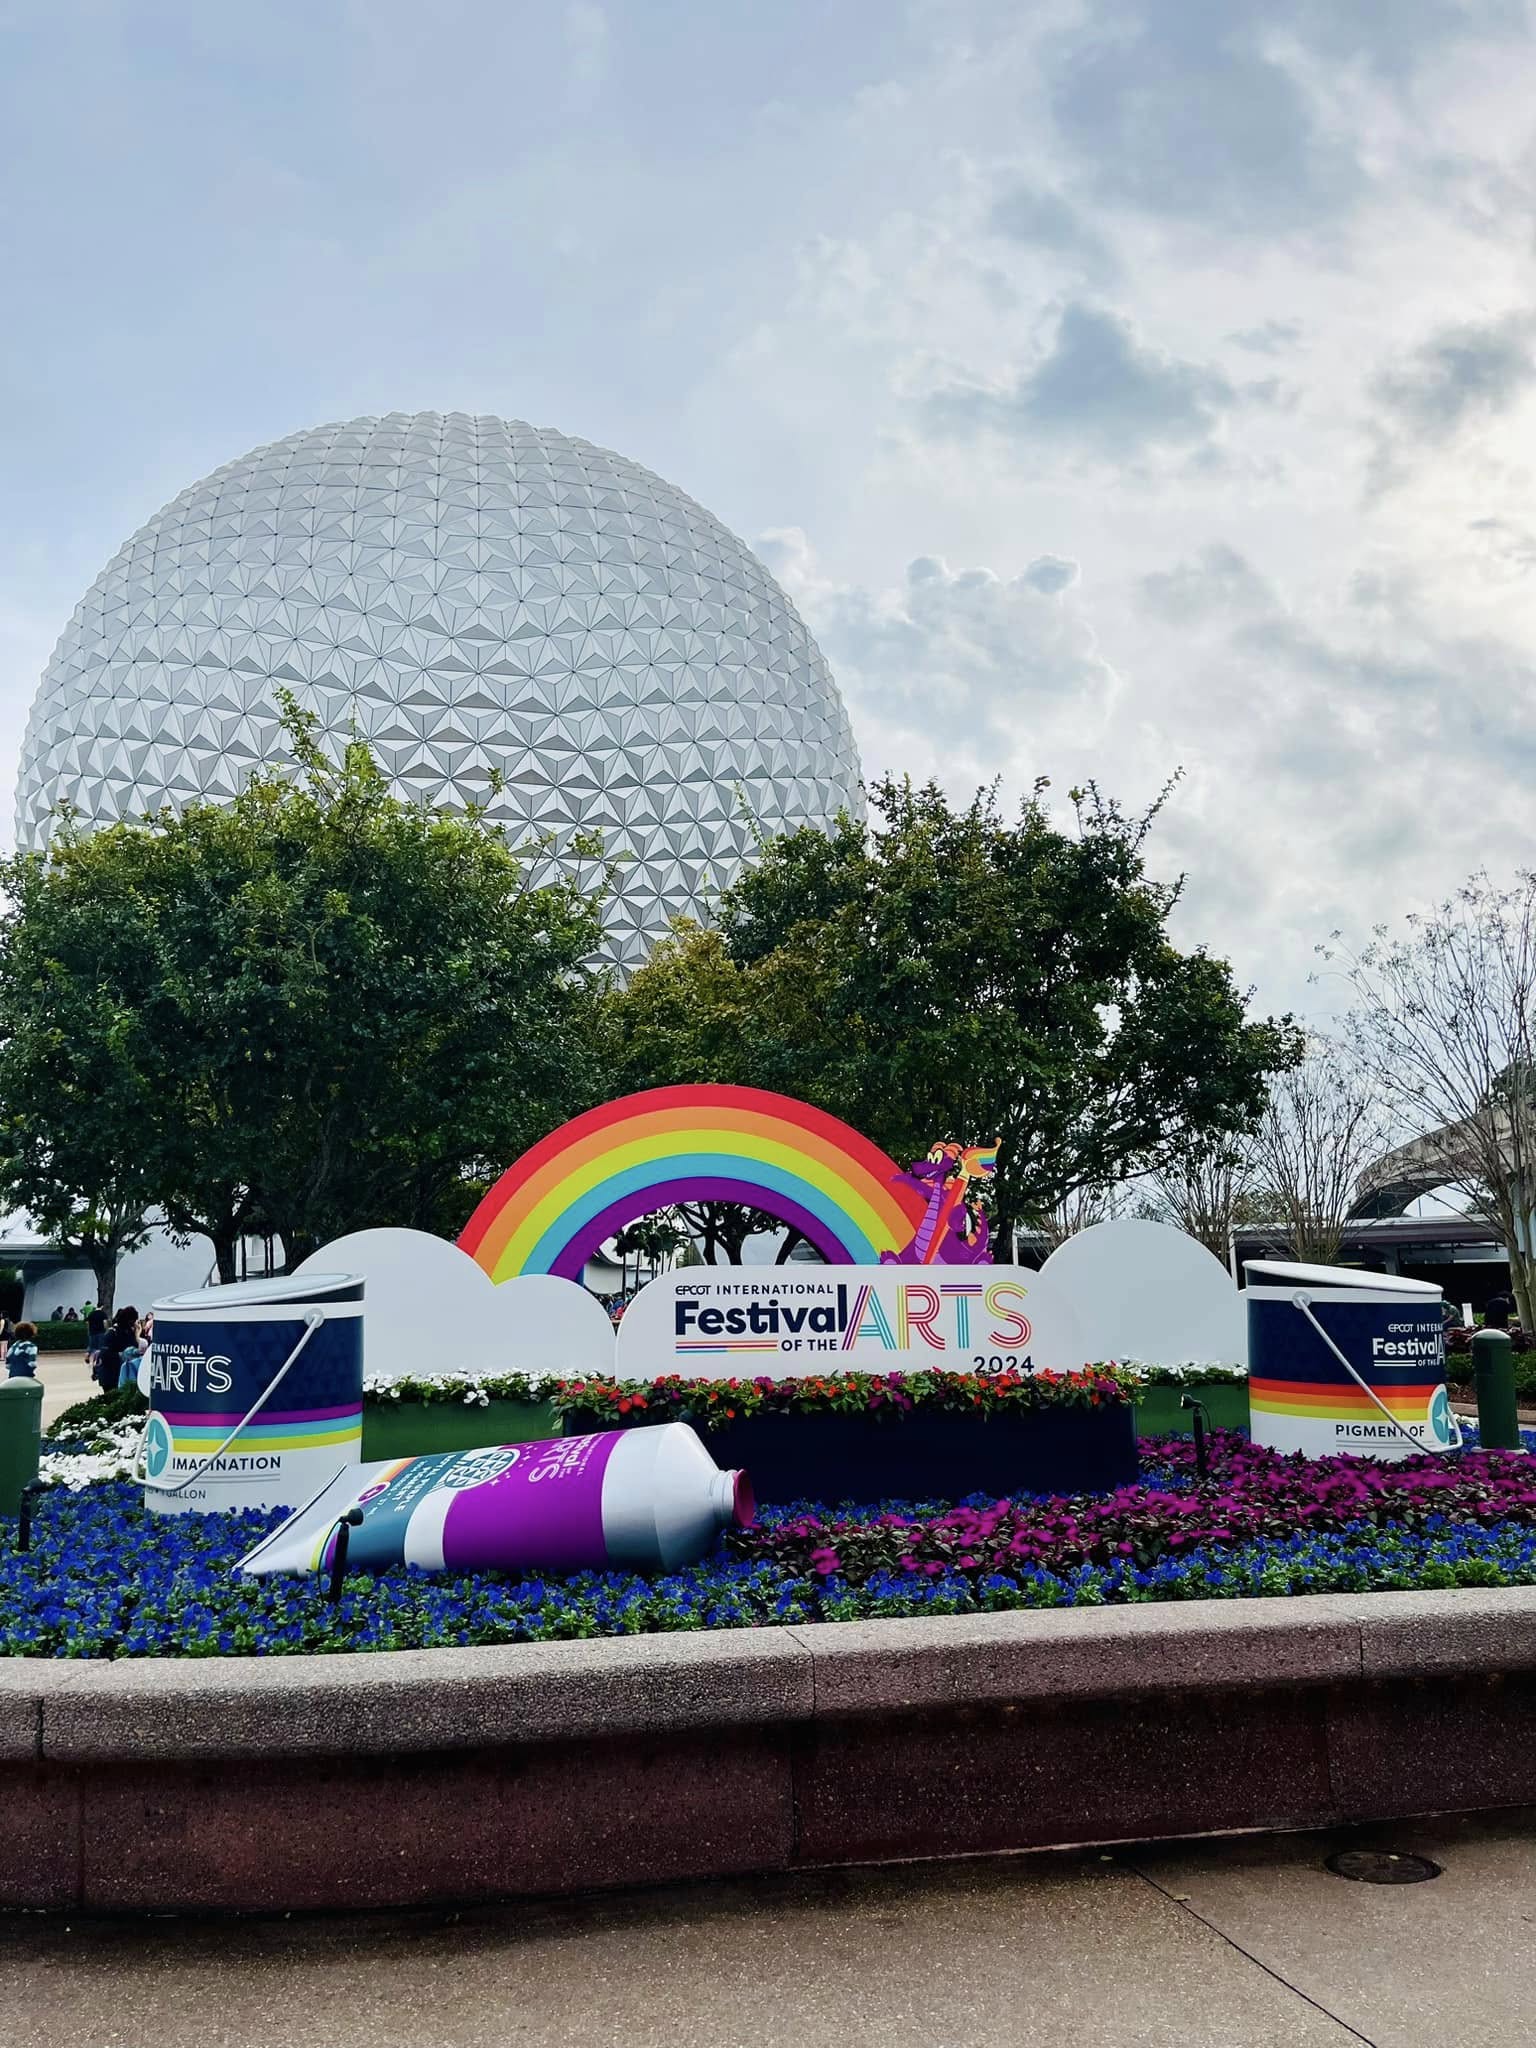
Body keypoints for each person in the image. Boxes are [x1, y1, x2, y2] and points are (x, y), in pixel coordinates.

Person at [97, 1306, 139, 1393]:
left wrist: (137, 1334)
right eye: (132, 1321)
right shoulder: (112, 1333)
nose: (134, 1323)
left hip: (122, 1373)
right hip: (110, 1375)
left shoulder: (129, 1332)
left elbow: (135, 1346)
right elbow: (104, 1354)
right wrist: (121, 1355)